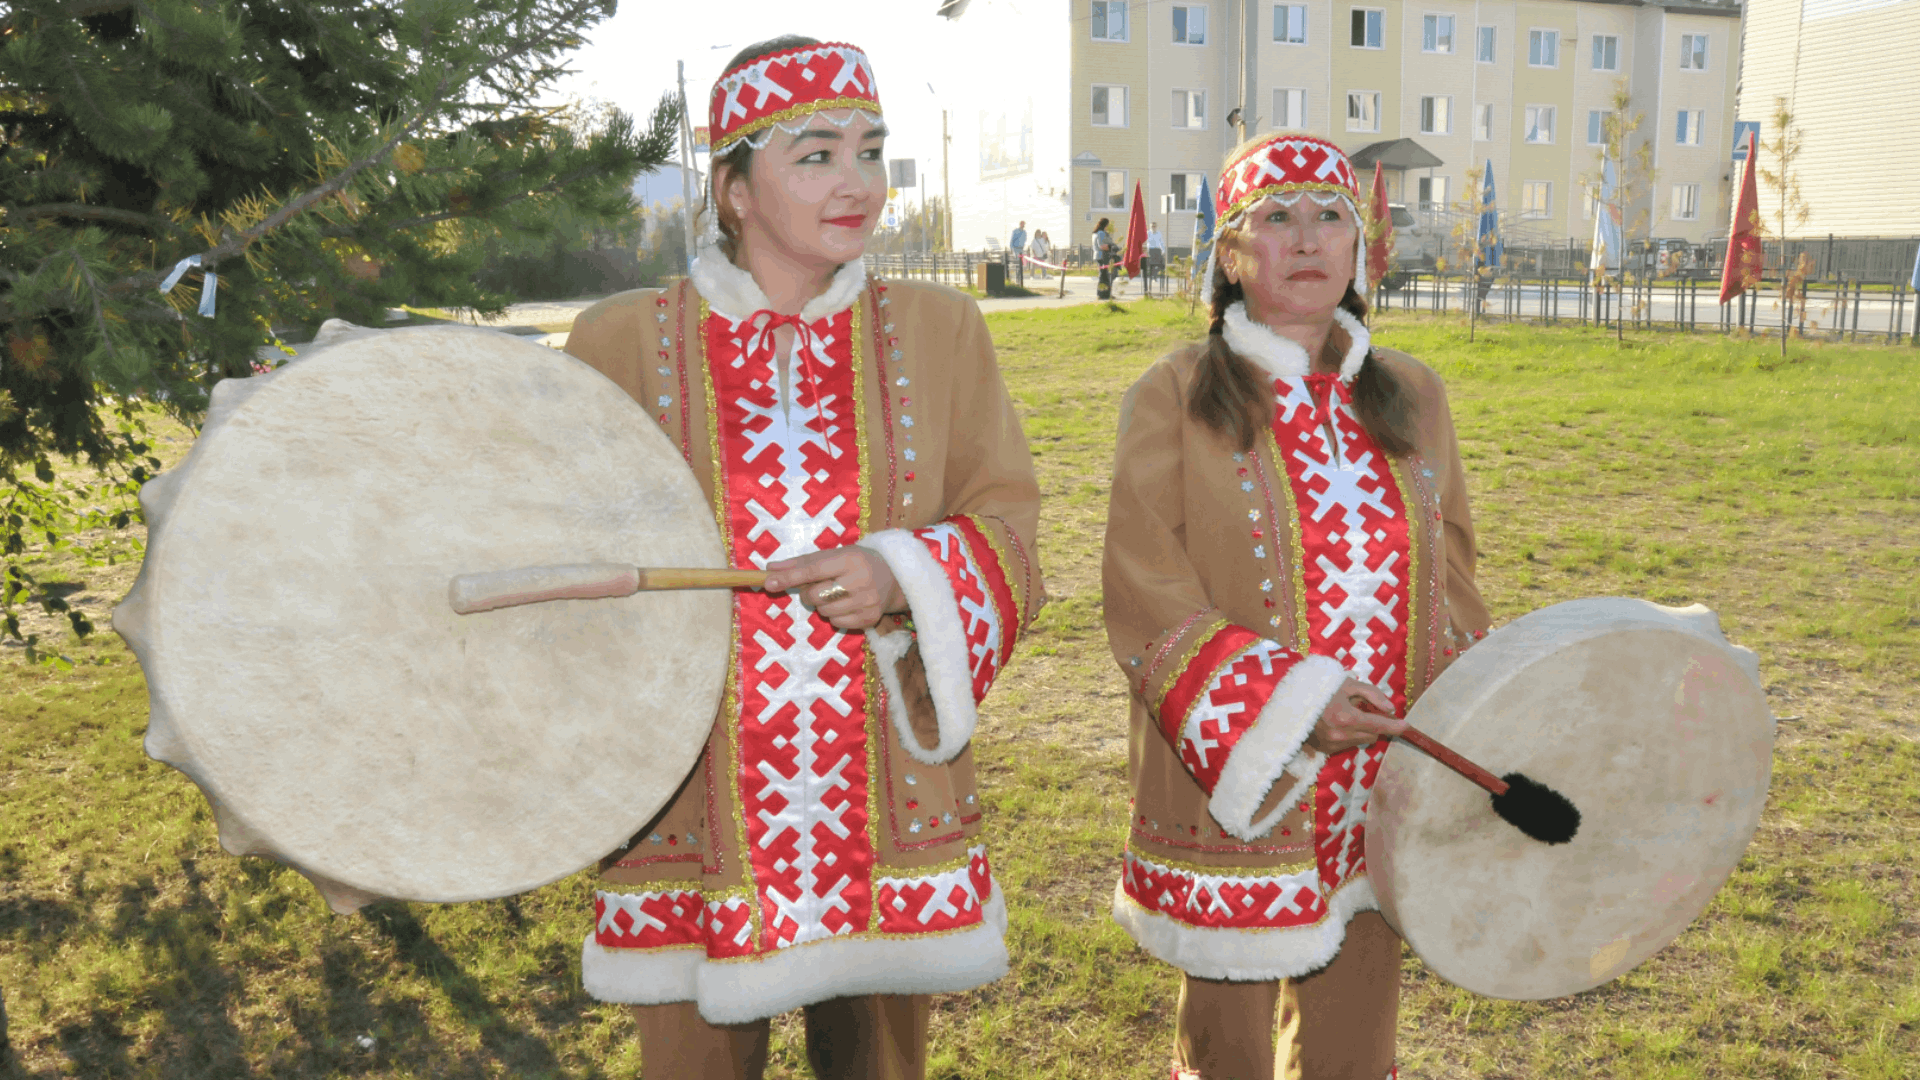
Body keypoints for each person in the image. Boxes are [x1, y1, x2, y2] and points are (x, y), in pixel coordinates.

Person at [564, 35, 1044, 1080]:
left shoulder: (942, 328)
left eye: (871, 150)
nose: (859, 182)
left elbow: (1008, 525)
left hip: (886, 794)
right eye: (815, 154)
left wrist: (904, 577)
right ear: (732, 187)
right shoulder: (619, 343)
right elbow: (557, 557)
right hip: (690, 802)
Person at [1101, 132, 1491, 1080]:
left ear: (1362, 249)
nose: (1307, 239)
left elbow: (1454, 571)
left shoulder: (1412, 394)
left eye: (1331, 217)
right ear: (1232, 254)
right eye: (1276, 219)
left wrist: (1461, 717)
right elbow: (1147, 591)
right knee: (1227, 1045)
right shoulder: (1177, 395)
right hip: (1241, 776)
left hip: (1380, 773)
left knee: (1353, 1048)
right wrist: (1293, 706)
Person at [1093, 216, 1116, 300]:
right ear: (1105, 225)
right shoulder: (1101, 233)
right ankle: (1102, 294)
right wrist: (1111, 247)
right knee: (1103, 275)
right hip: (1102, 256)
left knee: (1104, 275)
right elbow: (1102, 246)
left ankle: (1105, 294)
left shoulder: (1096, 233)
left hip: (1100, 256)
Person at [1144, 221, 1168, 296]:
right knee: (1152, 264)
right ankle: (1152, 276)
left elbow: (1161, 242)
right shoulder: (1148, 233)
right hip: (1151, 250)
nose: (1153, 228)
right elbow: (1147, 242)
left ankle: (1155, 276)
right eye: (1152, 226)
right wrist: (1147, 251)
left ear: (1156, 227)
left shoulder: (1159, 233)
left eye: (1154, 226)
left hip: (1157, 250)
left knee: (1159, 263)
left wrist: (1163, 251)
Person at [1009, 219, 1028, 285]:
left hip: (1021, 249)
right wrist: (1011, 249)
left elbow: (1025, 240)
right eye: (1022, 224)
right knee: (1017, 262)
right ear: (1020, 224)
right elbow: (1012, 240)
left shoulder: (1024, 232)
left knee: (1021, 263)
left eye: (1024, 224)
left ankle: (1019, 276)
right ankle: (1017, 277)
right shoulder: (1015, 231)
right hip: (1015, 249)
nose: (1023, 225)